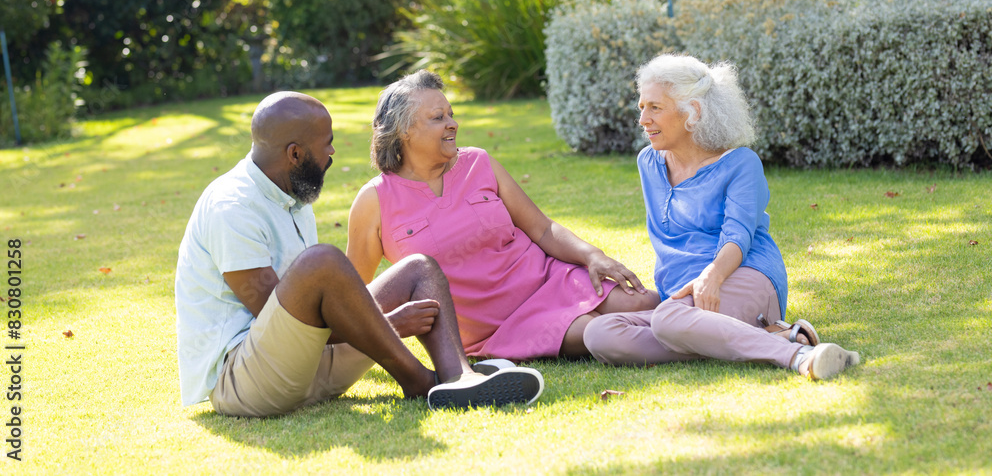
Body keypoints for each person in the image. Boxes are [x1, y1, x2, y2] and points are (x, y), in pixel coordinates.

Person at [175, 91, 544, 417]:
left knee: (418, 268)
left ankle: (458, 378)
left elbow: (311, 315)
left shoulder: (291, 193)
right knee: (322, 262)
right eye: (327, 144)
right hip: (246, 381)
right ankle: (420, 382)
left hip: (309, 367)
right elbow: (276, 319)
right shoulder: (232, 207)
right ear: (295, 154)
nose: (332, 153)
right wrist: (388, 325)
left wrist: (374, 321)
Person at [347, 71, 658, 361]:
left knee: (643, 303)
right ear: (404, 131)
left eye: (451, 114)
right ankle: (686, 338)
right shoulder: (375, 200)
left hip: (548, 280)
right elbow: (353, 296)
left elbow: (542, 229)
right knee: (599, 331)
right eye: (438, 117)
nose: (452, 124)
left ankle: (686, 322)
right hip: (498, 328)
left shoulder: (478, 162)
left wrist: (593, 256)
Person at [582, 54, 860, 380]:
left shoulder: (741, 163)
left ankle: (799, 355)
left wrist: (711, 277)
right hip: (680, 301)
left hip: (740, 276)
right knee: (599, 334)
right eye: (642, 107)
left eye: (655, 107)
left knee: (666, 321)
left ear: (693, 111)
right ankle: (769, 335)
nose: (643, 119)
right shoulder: (648, 162)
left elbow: (738, 234)